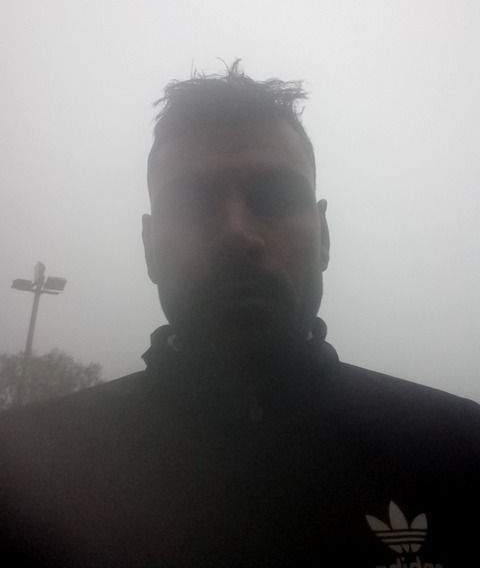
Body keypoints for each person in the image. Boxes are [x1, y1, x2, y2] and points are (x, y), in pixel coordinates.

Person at [1, 62, 479, 568]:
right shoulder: (17, 476)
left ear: (324, 236)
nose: (236, 234)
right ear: (148, 247)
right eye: (194, 202)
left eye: (273, 197)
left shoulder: (460, 452)